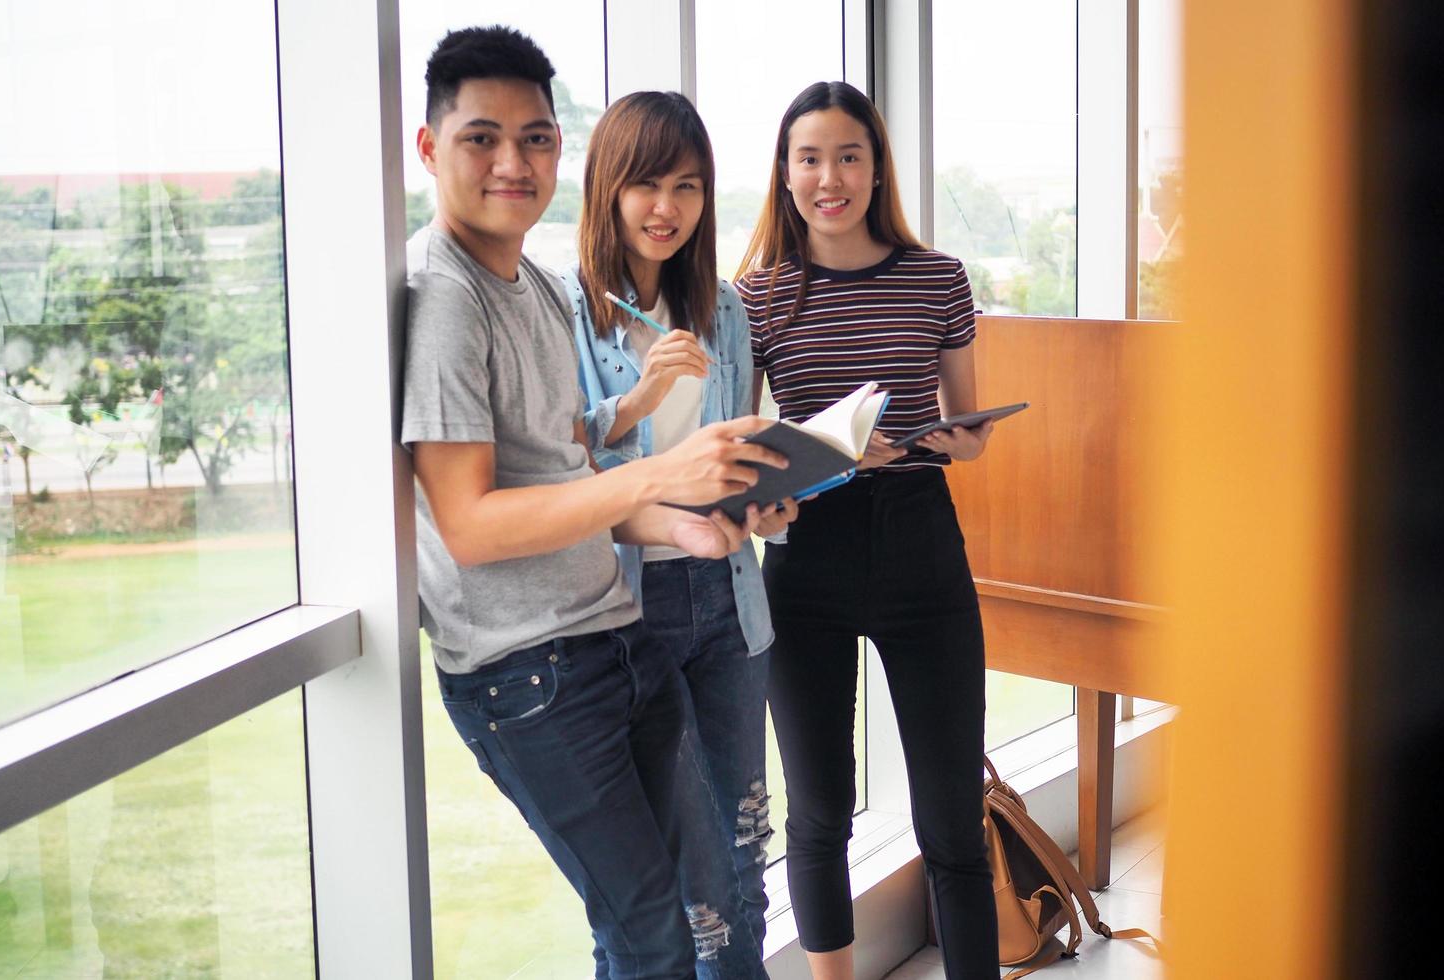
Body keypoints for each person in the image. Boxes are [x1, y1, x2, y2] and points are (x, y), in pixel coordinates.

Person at [401, 27, 784, 979]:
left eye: (534, 138)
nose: (511, 162)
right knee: (656, 930)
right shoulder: (451, 297)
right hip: (529, 669)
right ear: (428, 149)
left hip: (606, 633)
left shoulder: (522, 279)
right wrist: (657, 475)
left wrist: (701, 521)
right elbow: (471, 524)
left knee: (720, 881)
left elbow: (570, 466)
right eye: (481, 138)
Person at [735, 80, 1000, 980]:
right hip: (808, 547)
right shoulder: (757, 296)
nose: (829, 177)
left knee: (950, 815)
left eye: (848, 155)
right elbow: (743, 453)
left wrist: (958, 443)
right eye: (808, 157)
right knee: (817, 811)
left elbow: (966, 435)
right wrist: (829, 454)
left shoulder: (938, 278)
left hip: (922, 540)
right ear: (785, 171)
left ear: (877, 166)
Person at [562, 91, 795, 978]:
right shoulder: (567, 308)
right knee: (654, 882)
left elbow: (730, 448)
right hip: (625, 606)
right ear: (609, 189)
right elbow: (555, 457)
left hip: (730, 595)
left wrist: (764, 504)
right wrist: (638, 400)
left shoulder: (724, 308)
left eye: (688, 186)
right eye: (647, 184)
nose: (667, 208)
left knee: (740, 853)